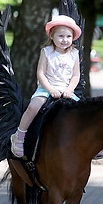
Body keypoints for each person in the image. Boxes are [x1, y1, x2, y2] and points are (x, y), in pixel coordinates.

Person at [10, 15, 82, 158]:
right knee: (33, 107)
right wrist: (50, 89)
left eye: (68, 36)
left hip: (66, 89)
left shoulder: (74, 53)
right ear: (51, 35)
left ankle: (84, 139)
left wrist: (69, 90)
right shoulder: (47, 51)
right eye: (60, 36)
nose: (64, 39)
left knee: (83, 110)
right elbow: (41, 73)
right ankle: (19, 135)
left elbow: (75, 75)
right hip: (46, 88)